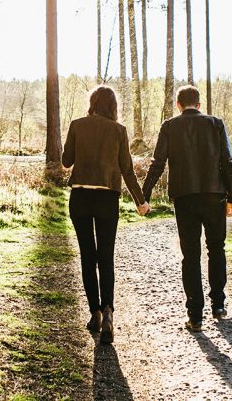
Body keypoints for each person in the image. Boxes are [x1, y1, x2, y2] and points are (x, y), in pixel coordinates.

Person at [143, 85, 232, 332]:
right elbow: (228, 162)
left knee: (191, 255)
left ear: (178, 104)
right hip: (215, 194)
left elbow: (158, 163)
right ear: (198, 104)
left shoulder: (169, 126)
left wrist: (144, 194)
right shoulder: (216, 124)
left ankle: (195, 315)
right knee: (217, 248)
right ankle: (218, 304)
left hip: (184, 197)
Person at [62, 85, 150, 344]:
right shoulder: (119, 131)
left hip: (80, 197)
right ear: (113, 106)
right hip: (107, 199)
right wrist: (140, 201)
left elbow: (66, 162)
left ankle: (95, 313)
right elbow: (127, 170)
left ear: (92, 103)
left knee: (87, 257)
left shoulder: (77, 125)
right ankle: (109, 310)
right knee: (106, 257)